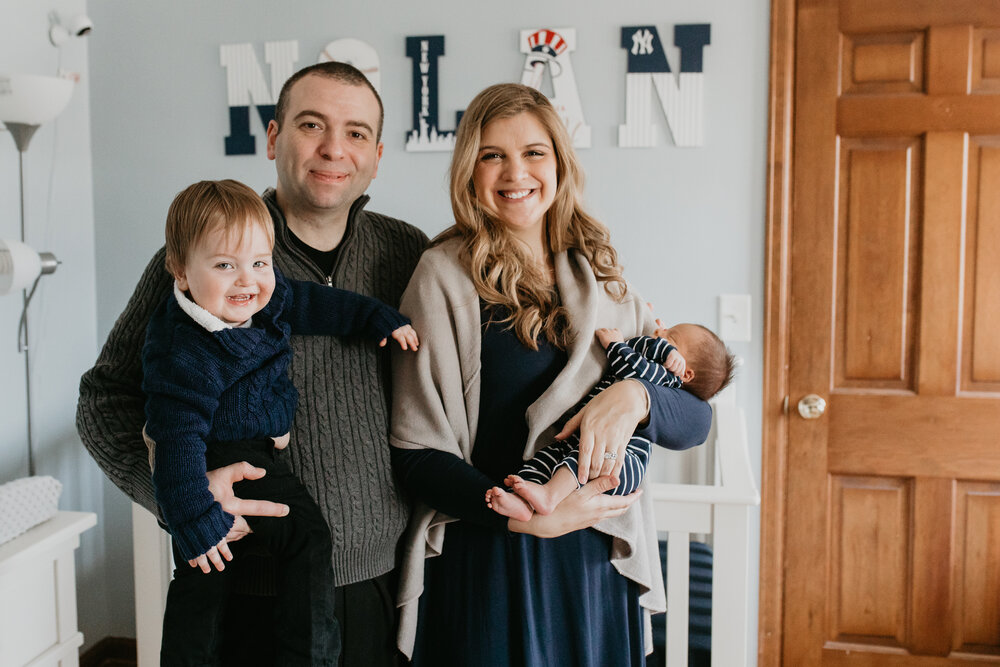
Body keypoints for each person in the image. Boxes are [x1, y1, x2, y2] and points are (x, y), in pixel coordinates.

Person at [76, 62, 428, 666]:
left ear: (377, 154)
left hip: (379, 584)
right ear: (272, 137)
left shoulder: (407, 252)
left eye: (356, 133)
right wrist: (179, 500)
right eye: (311, 124)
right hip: (243, 587)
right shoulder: (202, 257)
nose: (333, 149)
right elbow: (103, 401)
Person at [389, 83, 713, 666]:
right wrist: (520, 519)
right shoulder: (441, 276)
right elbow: (415, 451)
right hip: (491, 553)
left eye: (534, 152)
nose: (516, 172)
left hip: (592, 568)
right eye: (493, 155)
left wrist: (636, 394)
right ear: (470, 168)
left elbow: (692, 421)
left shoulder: (602, 275)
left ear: (560, 162)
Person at [145, 179, 418, 665]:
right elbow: (176, 438)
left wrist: (376, 317)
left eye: (260, 263)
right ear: (181, 271)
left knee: (209, 573)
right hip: (225, 456)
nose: (247, 281)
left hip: (252, 449)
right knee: (278, 545)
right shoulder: (184, 349)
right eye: (225, 265)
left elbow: (318, 304)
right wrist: (193, 515)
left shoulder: (264, 300)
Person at [487, 323, 735, 521]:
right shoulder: (658, 357)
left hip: (623, 462)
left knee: (583, 461)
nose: (660, 330)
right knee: (547, 458)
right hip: (579, 441)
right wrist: (664, 341)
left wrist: (617, 345)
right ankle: (520, 504)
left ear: (686, 373)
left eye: (672, 337)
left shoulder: (666, 376)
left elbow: (632, 368)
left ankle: (550, 496)